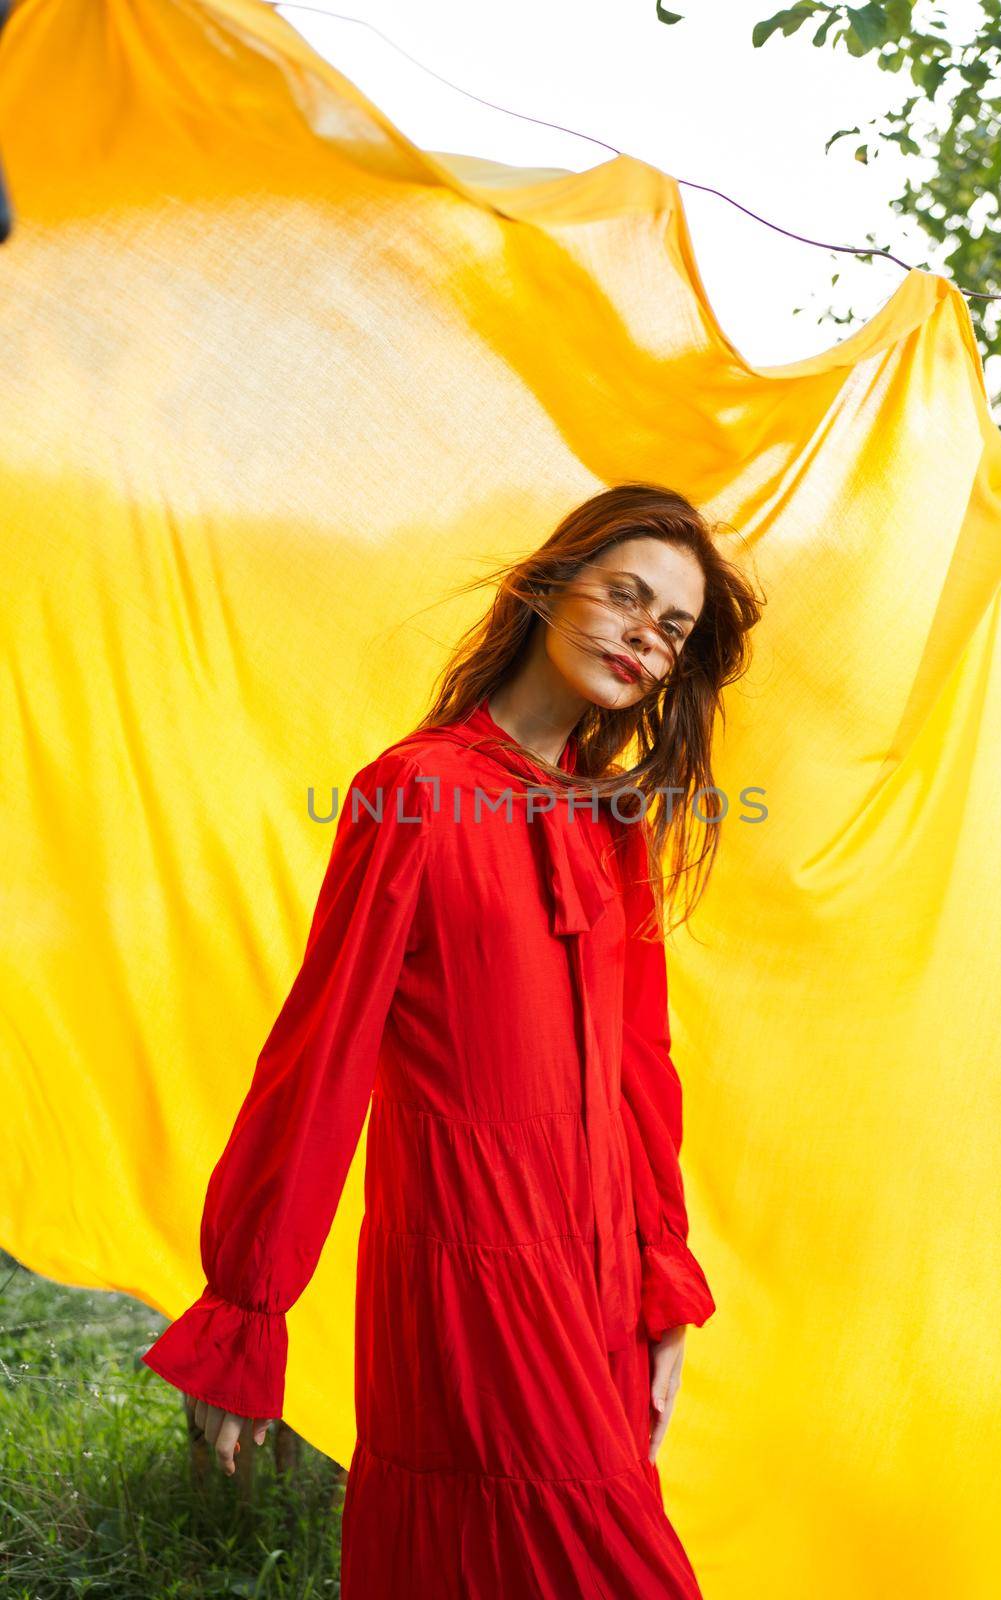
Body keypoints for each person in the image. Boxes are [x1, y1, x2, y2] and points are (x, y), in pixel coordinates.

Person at [142, 480, 764, 1597]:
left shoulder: (612, 826)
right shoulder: (412, 793)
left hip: (596, 1287)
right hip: (469, 1279)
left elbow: (638, 1080)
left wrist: (658, 1283)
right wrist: (246, 1308)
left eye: (670, 626)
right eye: (624, 594)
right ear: (545, 587)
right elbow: (317, 1060)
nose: (645, 635)